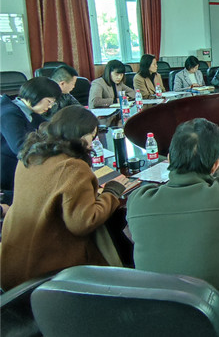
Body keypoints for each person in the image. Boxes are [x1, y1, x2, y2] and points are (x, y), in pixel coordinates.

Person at [126, 118, 219, 335]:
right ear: (215, 166)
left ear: (169, 159)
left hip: (155, 323)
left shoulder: (138, 201)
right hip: (215, 324)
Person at [0, 106, 126, 291]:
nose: (93, 143)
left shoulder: (31, 154)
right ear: (80, 135)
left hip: (12, 265)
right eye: (92, 136)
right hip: (48, 274)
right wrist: (112, 193)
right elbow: (84, 222)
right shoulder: (72, 167)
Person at [0, 77, 61, 204]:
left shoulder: (27, 110)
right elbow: (21, 147)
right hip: (8, 172)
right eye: (49, 101)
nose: (50, 106)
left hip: (23, 166)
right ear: (36, 96)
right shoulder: (9, 113)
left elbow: (50, 129)